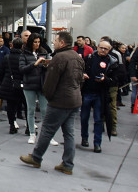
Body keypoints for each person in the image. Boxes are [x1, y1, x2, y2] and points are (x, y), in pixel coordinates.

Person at [20, 32, 85, 175]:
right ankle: (68, 164)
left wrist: (48, 96)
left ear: (62, 43)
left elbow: (50, 83)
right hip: (74, 100)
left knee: (47, 130)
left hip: (60, 101)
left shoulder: (59, 57)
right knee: (69, 133)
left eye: (55, 40)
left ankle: (36, 157)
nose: (53, 42)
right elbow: (80, 79)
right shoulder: (77, 57)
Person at [80, 40, 117, 153]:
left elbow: (115, 80)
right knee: (84, 117)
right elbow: (81, 69)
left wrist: (105, 79)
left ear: (109, 50)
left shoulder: (112, 62)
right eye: (101, 48)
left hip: (100, 94)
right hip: (87, 91)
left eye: (106, 49)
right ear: (97, 47)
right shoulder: (90, 58)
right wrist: (83, 75)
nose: (103, 50)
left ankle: (97, 143)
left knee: (98, 119)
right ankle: (84, 138)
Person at [19, 33, 56, 145]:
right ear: (31, 42)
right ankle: (32, 134)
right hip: (29, 84)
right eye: (35, 42)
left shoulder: (43, 52)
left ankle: (47, 136)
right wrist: (34, 64)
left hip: (41, 84)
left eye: (39, 42)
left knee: (45, 110)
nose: (37, 44)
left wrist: (46, 65)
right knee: (31, 109)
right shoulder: (24, 54)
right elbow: (21, 69)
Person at [0, 37, 25, 133]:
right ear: (22, 46)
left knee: (10, 105)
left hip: (8, 84)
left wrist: (2, 82)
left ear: (12, 45)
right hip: (21, 84)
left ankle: (12, 124)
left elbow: (1, 72)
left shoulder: (7, 57)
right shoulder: (23, 58)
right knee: (24, 104)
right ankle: (29, 128)